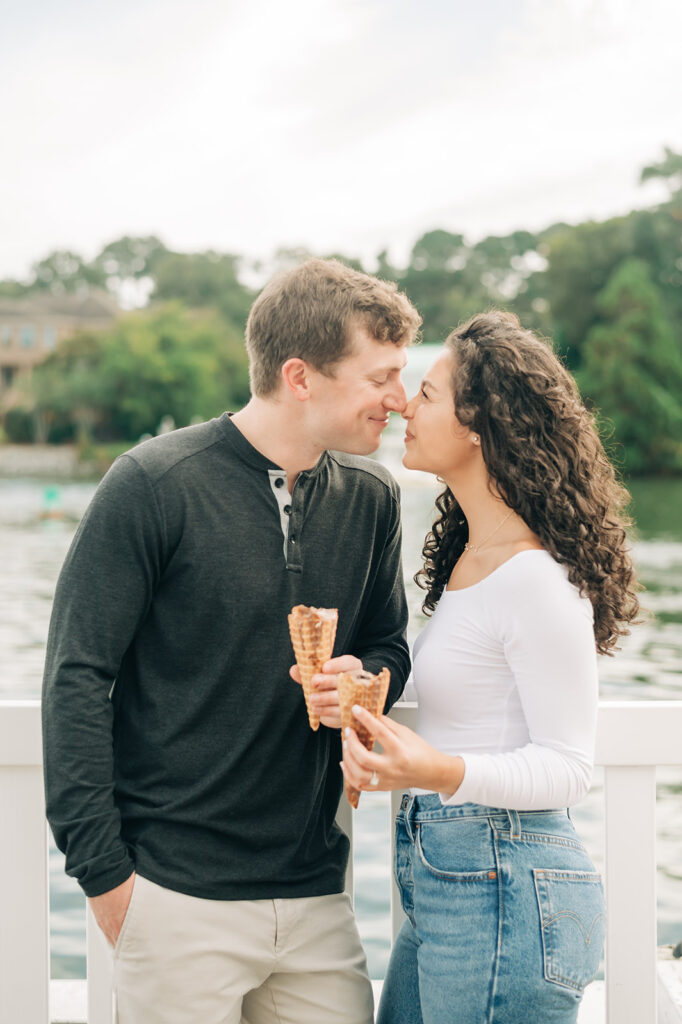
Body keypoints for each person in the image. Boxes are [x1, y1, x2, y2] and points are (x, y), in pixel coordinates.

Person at [42, 258, 421, 1024]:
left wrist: (362, 678)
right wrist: (108, 882)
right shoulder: (153, 484)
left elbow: (389, 644)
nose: (400, 400)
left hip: (318, 899)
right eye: (380, 377)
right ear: (301, 376)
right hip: (175, 899)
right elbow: (77, 680)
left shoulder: (374, 499)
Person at [341, 310, 640, 1024]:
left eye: (430, 393)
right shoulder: (472, 562)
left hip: (506, 885)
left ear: (480, 425)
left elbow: (569, 767)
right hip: (455, 879)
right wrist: (365, 687)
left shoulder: (535, 579)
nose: (405, 404)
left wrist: (438, 772)